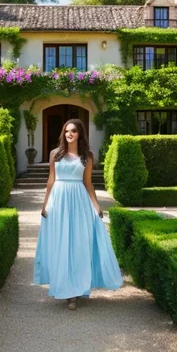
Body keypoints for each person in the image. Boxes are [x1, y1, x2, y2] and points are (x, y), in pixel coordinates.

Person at [33, 118, 123, 310]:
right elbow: (50, 180)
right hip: (59, 200)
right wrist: (44, 204)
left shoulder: (87, 156)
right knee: (61, 244)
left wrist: (97, 207)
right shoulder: (55, 154)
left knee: (77, 244)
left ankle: (76, 289)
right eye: (66, 131)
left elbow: (88, 183)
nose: (69, 134)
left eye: (73, 131)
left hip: (79, 201)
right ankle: (66, 289)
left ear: (80, 133)